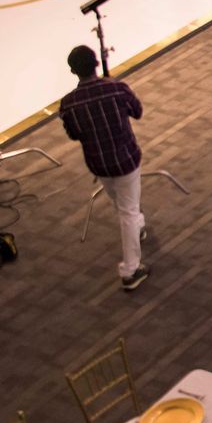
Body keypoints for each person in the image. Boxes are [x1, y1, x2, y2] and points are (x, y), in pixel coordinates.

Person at [60, 45, 151, 291]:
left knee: (123, 206)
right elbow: (138, 111)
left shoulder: (68, 104)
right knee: (128, 211)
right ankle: (131, 270)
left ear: (73, 71)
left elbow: (73, 134)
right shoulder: (117, 89)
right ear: (96, 64)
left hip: (98, 164)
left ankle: (138, 227)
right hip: (126, 160)